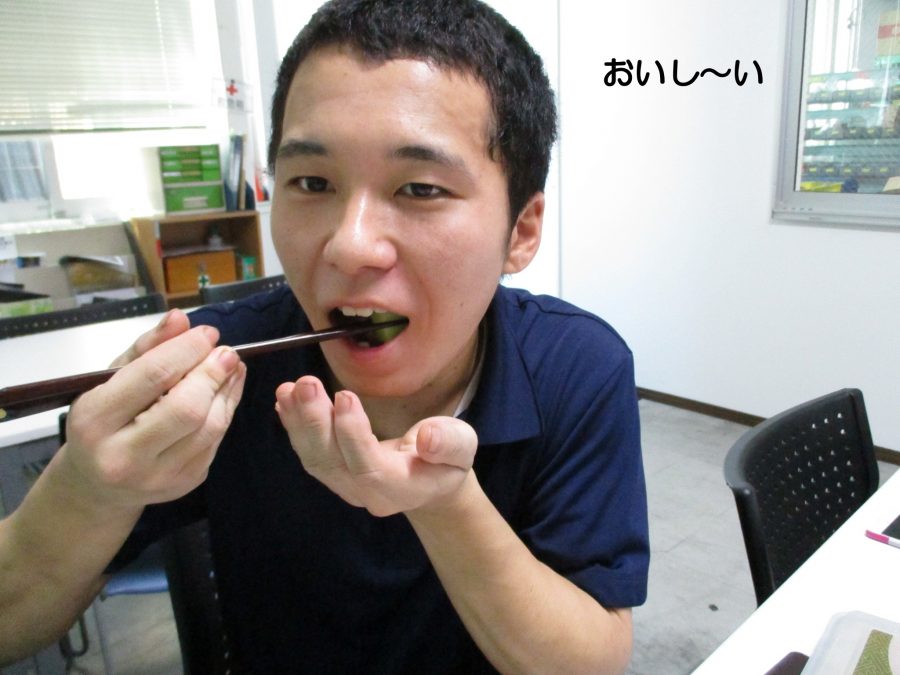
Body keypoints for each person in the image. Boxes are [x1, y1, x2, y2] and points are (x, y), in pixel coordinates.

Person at [0, 0, 649, 672]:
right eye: (312, 182)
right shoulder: (217, 374)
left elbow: (591, 664)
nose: (349, 246)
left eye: (420, 188)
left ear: (521, 231)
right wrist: (89, 488)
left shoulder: (576, 367)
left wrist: (445, 502)